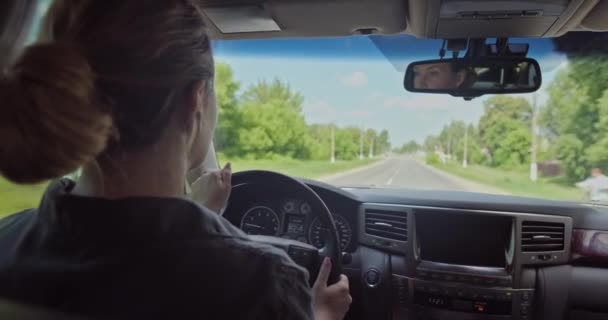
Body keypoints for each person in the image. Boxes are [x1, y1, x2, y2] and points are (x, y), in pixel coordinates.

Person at [0, 0, 351, 319]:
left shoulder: (6, 241)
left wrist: (199, 214)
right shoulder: (261, 287)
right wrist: (318, 315)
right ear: (195, 101)